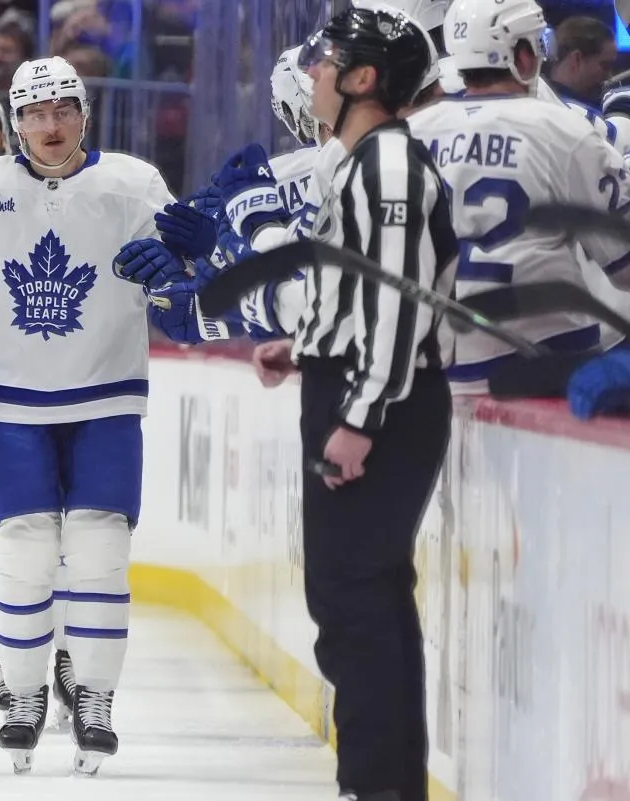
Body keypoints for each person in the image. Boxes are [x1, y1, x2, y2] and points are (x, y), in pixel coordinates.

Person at [0, 55, 175, 775]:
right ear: (14, 123)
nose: (50, 125)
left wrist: (185, 276)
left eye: (62, 109)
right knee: (25, 553)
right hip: (10, 406)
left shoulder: (134, 185)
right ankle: (27, 695)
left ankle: (93, 696)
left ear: (83, 112)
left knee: (100, 550)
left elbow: (175, 288)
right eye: (35, 114)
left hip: (107, 397)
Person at [257, 9, 455, 800]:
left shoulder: (390, 168)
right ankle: (377, 781)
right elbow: (361, 289)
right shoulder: (360, 163)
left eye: (327, 60)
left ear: (365, 78)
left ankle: (377, 785)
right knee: (351, 595)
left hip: (382, 404)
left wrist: (360, 418)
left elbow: (402, 304)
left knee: (358, 599)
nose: (313, 73)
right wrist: (305, 342)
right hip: (356, 389)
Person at [406, 0, 630, 393]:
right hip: (545, 369)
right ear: (522, 55)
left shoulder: (406, 135)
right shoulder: (562, 129)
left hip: (436, 377)